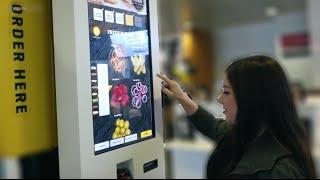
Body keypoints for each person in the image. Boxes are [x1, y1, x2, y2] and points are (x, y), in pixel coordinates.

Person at [157, 55, 316, 178]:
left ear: (251, 98)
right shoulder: (246, 134)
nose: (219, 99)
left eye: (226, 92)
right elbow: (210, 124)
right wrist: (182, 98)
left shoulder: (280, 170)